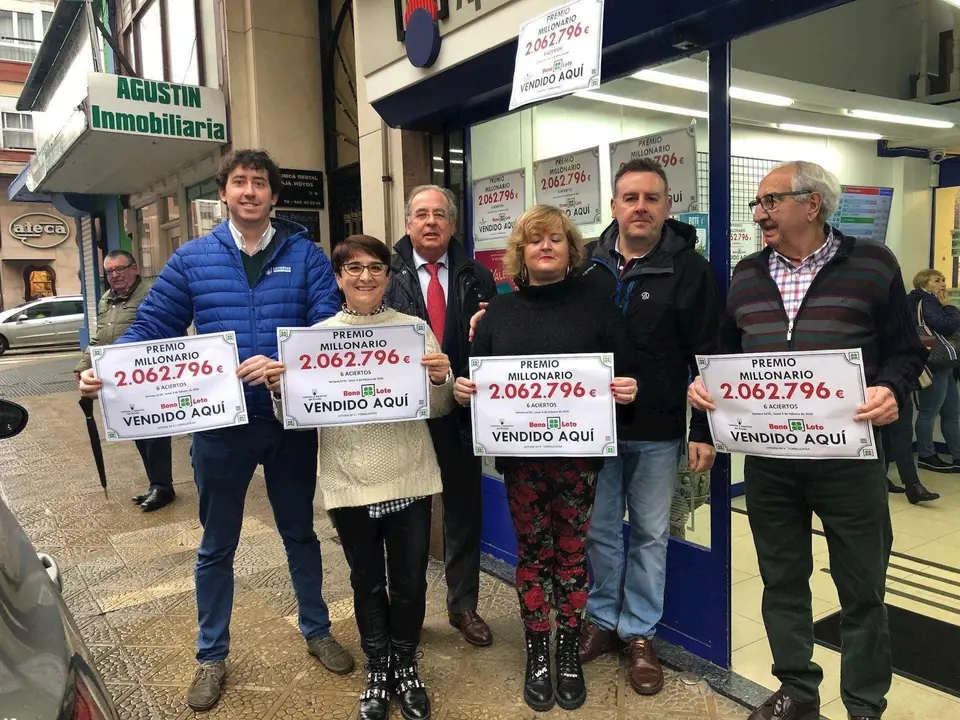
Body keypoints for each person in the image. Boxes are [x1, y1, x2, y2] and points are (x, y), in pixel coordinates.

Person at [78, 149, 353, 711]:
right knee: (216, 544)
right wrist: (106, 370)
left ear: (275, 196)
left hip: (286, 420)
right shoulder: (192, 259)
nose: (249, 191)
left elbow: (330, 327)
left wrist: (288, 366)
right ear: (224, 194)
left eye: (259, 183)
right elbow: (153, 325)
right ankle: (211, 655)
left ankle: (317, 629)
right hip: (220, 426)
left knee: (300, 531)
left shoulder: (307, 256)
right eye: (239, 183)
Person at [688, 161, 927, 720]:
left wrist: (891, 388)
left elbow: (906, 349)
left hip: (849, 460)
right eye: (758, 205)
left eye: (769, 202)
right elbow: (721, 360)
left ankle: (865, 705)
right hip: (771, 465)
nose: (758, 214)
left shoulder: (872, 264)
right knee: (782, 580)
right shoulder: (746, 275)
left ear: (812, 203)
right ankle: (797, 690)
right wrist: (703, 401)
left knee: (862, 588)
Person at [454, 205, 638, 712]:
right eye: (535, 241)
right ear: (521, 252)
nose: (546, 248)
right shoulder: (501, 313)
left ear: (570, 249)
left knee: (572, 556)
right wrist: (469, 389)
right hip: (523, 462)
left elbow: (626, 370)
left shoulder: (598, 304)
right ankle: (538, 650)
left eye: (555, 239)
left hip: (578, 459)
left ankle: (569, 651)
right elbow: (482, 378)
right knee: (534, 555)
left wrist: (627, 387)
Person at [266, 234, 452, 720]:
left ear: (389, 277)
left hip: (408, 473)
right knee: (366, 580)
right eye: (354, 268)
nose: (365, 276)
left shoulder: (413, 330)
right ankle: (378, 664)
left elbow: (439, 406)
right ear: (338, 278)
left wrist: (439, 380)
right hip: (348, 477)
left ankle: (406, 665)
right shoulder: (316, 337)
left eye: (376, 267)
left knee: (410, 581)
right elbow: (301, 413)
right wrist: (281, 389)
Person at [578, 157, 720, 695]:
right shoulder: (587, 264)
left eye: (651, 198)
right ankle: (602, 621)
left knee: (651, 535)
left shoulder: (689, 268)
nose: (640, 207)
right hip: (592, 428)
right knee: (599, 530)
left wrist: (702, 429)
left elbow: (708, 353)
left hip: (659, 429)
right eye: (630, 197)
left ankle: (638, 632)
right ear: (613, 206)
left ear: (667, 206)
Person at [385, 184, 496, 647]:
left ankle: (463, 606)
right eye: (421, 214)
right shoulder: (385, 274)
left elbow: (491, 344)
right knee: (407, 514)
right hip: (406, 415)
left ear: (452, 224)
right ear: (408, 223)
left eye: (439, 215)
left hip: (462, 413)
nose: (431, 222)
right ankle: (407, 609)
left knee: (463, 511)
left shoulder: (477, 275)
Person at [74, 250, 175, 512]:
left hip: (149, 377)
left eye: (120, 269)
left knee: (156, 434)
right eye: (110, 271)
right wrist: (84, 365)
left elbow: (162, 331)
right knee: (137, 430)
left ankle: (163, 488)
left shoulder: (151, 295)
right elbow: (99, 339)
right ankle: (156, 484)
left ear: (135, 269)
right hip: (120, 380)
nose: (115, 275)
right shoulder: (107, 300)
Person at [908, 269, 960, 473]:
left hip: (941, 365)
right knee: (931, 412)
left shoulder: (920, 301)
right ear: (923, 283)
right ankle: (927, 455)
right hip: (936, 364)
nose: (943, 284)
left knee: (951, 412)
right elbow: (946, 326)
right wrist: (949, 307)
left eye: (944, 280)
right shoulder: (926, 300)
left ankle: (953, 455)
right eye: (937, 280)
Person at [881, 391, 939, 503]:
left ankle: (908, 483)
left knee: (893, 435)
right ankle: (911, 484)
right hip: (881, 386)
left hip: (898, 387)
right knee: (893, 435)